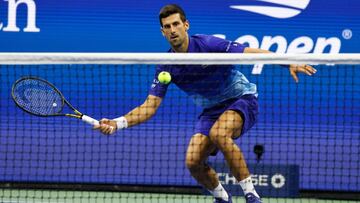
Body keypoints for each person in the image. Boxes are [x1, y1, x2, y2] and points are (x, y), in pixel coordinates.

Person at [95, 4, 316, 203]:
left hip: (241, 99)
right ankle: (222, 198)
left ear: (186, 25)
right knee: (193, 161)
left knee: (219, 133)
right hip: (212, 110)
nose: (172, 30)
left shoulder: (208, 44)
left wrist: (287, 62)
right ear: (162, 32)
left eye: (176, 24)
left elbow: (250, 52)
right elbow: (149, 106)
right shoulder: (166, 66)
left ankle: (252, 196)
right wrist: (117, 123)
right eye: (167, 27)